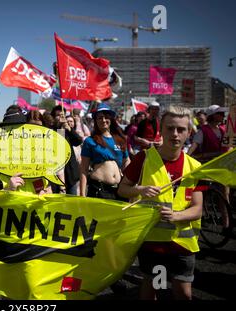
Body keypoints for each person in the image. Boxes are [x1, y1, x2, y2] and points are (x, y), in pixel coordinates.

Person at [118, 105, 203, 300]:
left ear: (188, 132)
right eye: (170, 128)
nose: (175, 134)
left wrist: (176, 216)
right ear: (161, 131)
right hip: (153, 245)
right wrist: (139, 190)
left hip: (183, 245)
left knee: (183, 293)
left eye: (181, 129)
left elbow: (198, 209)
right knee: (155, 288)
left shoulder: (195, 167)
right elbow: (122, 189)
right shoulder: (144, 158)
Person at [80, 103, 130, 199]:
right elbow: (84, 169)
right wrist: (82, 194)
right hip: (99, 189)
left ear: (111, 119)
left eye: (106, 117)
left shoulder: (121, 140)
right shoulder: (90, 141)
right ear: (95, 121)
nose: (103, 120)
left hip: (119, 191)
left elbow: (126, 162)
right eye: (99, 118)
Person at [51, 105, 83, 195]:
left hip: (70, 173)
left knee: (72, 202)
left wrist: (69, 129)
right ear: (53, 117)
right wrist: (59, 127)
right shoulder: (51, 130)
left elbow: (78, 141)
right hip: (56, 175)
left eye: (63, 115)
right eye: (58, 115)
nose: (61, 117)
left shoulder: (68, 130)